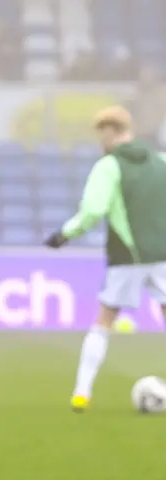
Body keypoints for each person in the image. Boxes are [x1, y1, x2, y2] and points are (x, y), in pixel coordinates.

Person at [44, 106, 166, 410]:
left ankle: (82, 393)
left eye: (101, 134)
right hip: (163, 254)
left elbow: (93, 210)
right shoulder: (161, 162)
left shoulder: (109, 166)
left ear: (110, 131)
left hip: (128, 256)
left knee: (103, 322)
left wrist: (64, 234)